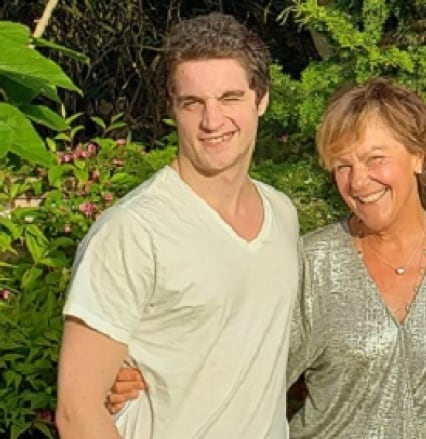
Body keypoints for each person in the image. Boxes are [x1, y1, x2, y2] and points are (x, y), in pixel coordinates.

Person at [107, 77, 426, 438]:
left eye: (375, 159)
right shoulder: (313, 262)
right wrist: (148, 372)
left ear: (418, 156)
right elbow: (241, 363)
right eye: (343, 166)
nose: (358, 182)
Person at [55, 12, 299, 438]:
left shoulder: (281, 214)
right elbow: (77, 412)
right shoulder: (132, 232)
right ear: (173, 108)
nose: (212, 121)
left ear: (261, 99)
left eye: (229, 98)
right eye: (193, 103)